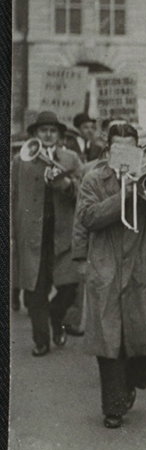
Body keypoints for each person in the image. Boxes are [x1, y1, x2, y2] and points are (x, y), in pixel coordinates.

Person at [76, 123, 146, 428]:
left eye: (129, 148)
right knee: (109, 340)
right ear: (108, 151)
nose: (123, 154)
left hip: (142, 266)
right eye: (117, 148)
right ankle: (113, 407)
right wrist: (124, 194)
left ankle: (133, 381)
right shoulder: (94, 178)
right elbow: (88, 217)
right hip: (107, 265)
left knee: (143, 335)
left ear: (138, 150)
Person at [11, 111, 84, 356]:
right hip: (33, 236)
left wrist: (66, 185)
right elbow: (13, 198)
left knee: (69, 288)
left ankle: (56, 317)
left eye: (53, 130)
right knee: (35, 291)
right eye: (43, 130)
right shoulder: (20, 161)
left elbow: (83, 191)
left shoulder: (71, 159)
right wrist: (13, 233)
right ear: (34, 134)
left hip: (63, 235)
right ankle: (41, 340)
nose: (49, 134)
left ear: (60, 135)